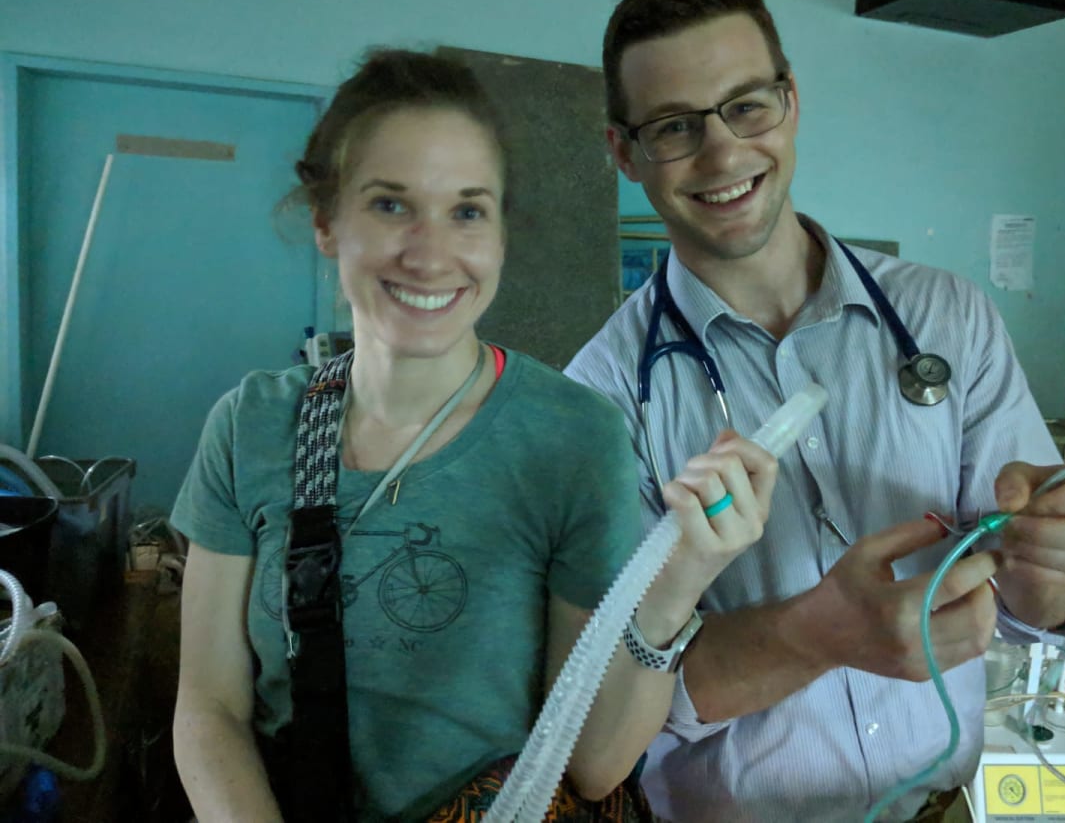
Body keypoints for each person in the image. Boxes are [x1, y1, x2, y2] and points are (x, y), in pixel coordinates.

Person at [564, 0, 1065, 822]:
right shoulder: (601, 398)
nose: (723, 152)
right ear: (623, 151)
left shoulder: (948, 320)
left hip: (943, 807)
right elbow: (615, 721)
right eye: (674, 126)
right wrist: (816, 633)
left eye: (747, 105)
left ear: (790, 100)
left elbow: (1030, 610)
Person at [170, 48, 778, 822]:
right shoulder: (251, 424)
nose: (431, 255)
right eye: (390, 205)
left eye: (466, 211)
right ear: (327, 221)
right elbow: (210, 709)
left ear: (499, 233)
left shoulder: (573, 437)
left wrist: (683, 578)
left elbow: (593, 766)